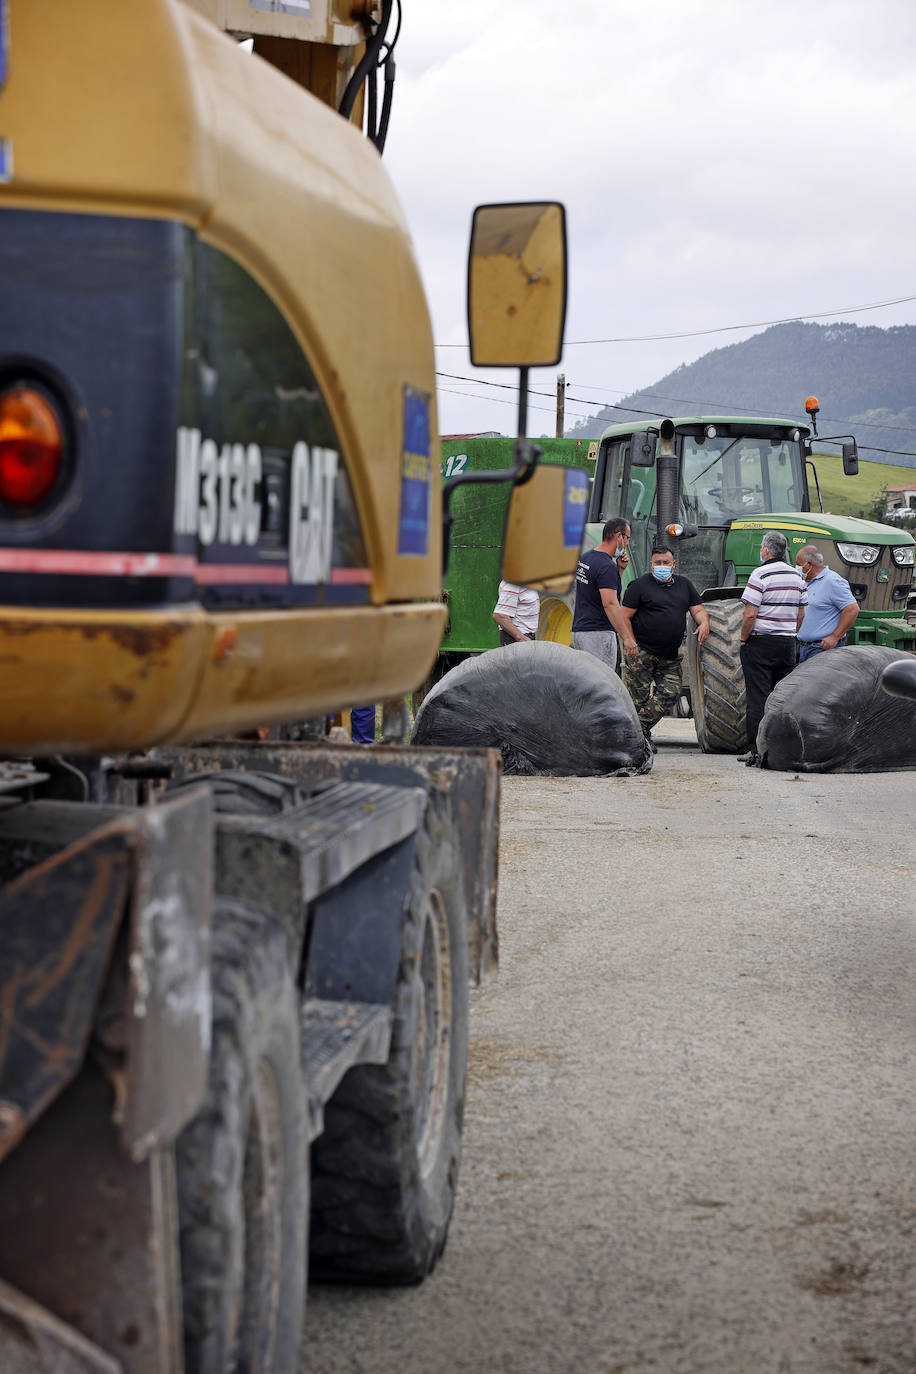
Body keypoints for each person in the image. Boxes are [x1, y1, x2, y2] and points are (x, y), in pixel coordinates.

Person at [621, 545, 710, 750]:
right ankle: (638, 741)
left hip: (669, 656)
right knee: (638, 700)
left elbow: (698, 610)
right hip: (641, 652)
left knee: (670, 693)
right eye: (657, 563)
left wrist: (704, 622)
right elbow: (624, 616)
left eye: (666, 563)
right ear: (651, 565)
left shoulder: (684, 585)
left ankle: (635, 732)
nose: (661, 566)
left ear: (673, 565)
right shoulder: (639, 586)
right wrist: (629, 641)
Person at [738, 530, 807, 766]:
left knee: (758, 698)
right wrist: (790, 633)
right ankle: (783, 748)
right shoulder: (797, 577)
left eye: (761, 548)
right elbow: (801, 613)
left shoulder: (760, 574)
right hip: (786, 644)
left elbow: (750, 614)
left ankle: (757, 751)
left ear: (766, 550)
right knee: (783, 697)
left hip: (760, 642)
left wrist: (743, 639)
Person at [571, 517, 637, 672]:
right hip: (597, 634)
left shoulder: (587, 557)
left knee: (586, 680)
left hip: (580, 631)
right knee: (601, 683)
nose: (627, 543)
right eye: (627, 538)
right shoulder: (606, 566)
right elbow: (610, 603)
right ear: (619, 536)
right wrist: (627, 638)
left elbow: (599, 590)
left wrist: (619, 570)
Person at [795, 545, 859, 661]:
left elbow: (852, 609)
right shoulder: (806, 582)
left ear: (809, 564)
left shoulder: (833, 581)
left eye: (799, 565)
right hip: (806, 648)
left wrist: (835, 637)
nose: (797, 568)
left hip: (822, 650)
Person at [492, 579, 539, 645]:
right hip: (516, 640)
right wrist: (521, 638)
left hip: (524, 638)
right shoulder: (513, 585)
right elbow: (500, 615)